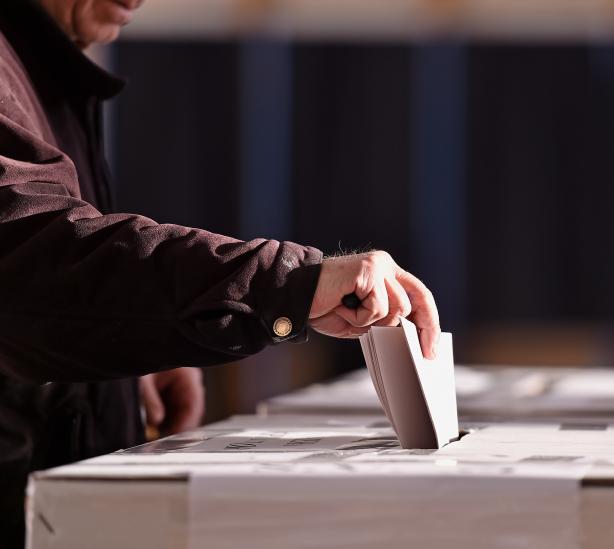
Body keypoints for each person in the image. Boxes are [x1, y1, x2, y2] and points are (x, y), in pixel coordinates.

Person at [0, 0, 441, 545]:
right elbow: (29, 269)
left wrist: (122, 359)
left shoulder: (41, 66)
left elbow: (49, 301)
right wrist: (289, 283)